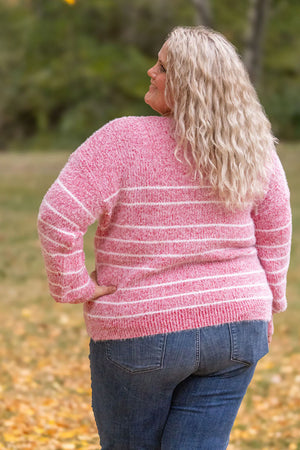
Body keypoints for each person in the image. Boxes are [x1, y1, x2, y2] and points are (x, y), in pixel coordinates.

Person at [38, 26, 291, 449]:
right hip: (238, 324)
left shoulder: (121, 140)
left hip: (143, 332)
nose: (150, 71)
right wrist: (271, 301)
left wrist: (73, 286)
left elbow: (56, 216)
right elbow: (276, 231)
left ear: (189, 82)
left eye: (163, 66)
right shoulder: (253, 147)